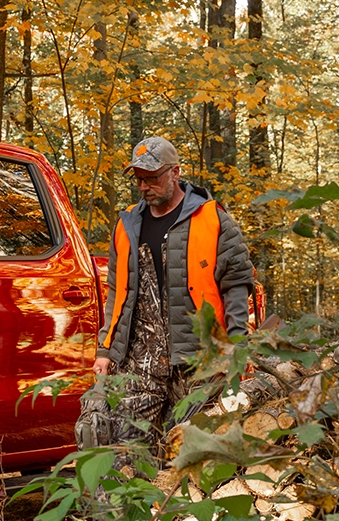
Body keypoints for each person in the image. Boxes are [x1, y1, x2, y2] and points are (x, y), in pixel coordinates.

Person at [76, 136, 254, 454]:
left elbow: (236, 286)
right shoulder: (127, 225)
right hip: (139, 361)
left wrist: (237, 348)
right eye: (138, 179)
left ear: (175, 172)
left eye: (152, 178)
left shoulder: (212, 218)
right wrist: (105, 349)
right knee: (124, 453)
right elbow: (116, 293)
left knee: (196, 456)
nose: (144, 187)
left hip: (199, 360)